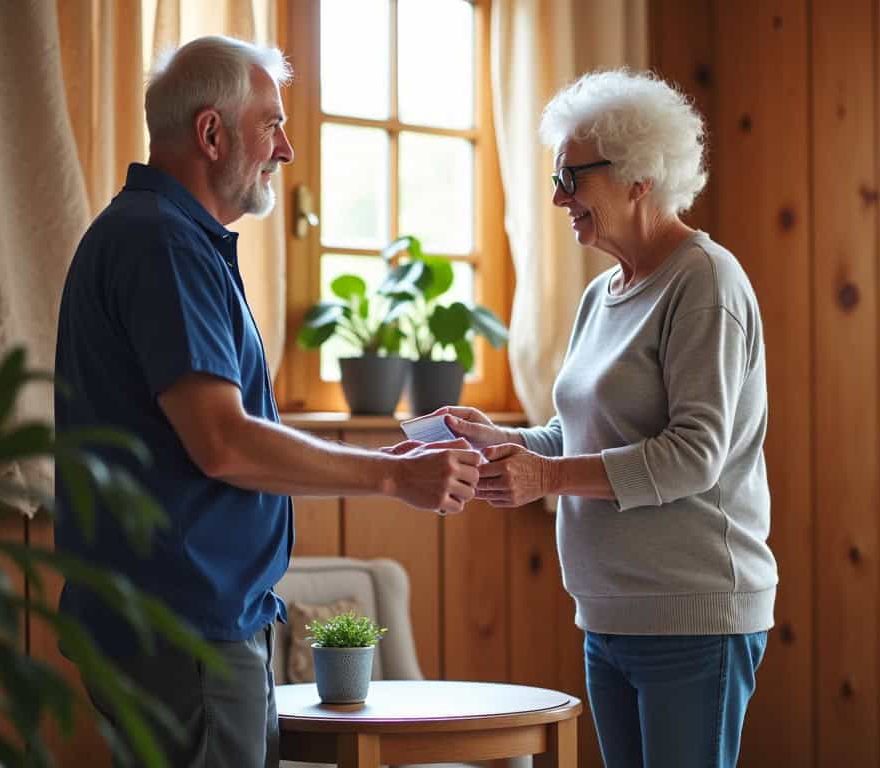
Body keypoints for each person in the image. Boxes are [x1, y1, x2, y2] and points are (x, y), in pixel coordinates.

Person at [54, 35, 480, 768]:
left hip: (183, 621)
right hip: (187, 625)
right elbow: (223, 442)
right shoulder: (164, 244)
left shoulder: (164, 236)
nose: (285, 149)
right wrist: (391, 474)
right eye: (272, 125)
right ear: (211, 133)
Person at [430, 70, 778, 767]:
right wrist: (507, 443)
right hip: (609, 615)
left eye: (571, 177)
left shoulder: (704, 282)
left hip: (693, 617)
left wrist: (547, 476)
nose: (558, 196)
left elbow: (693, 454)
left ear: (638, 177)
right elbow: (582, 434)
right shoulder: (602, 295)